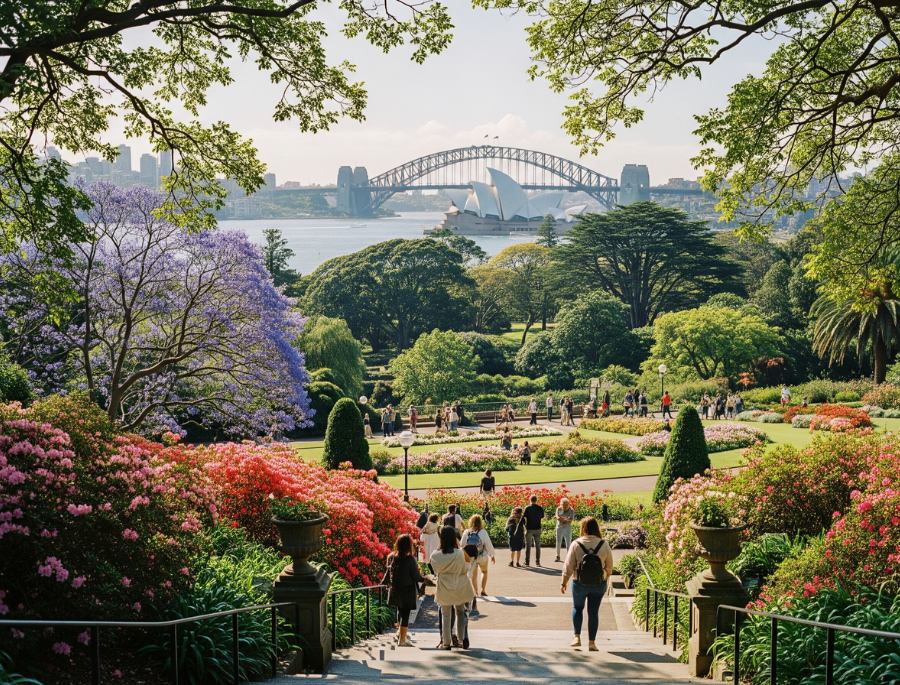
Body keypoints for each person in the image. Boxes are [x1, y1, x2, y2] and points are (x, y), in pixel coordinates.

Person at [560, 517, 614, 651]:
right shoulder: (604, 544)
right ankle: (592, 643)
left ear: (583, 528)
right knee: (593, 612)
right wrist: (605, 576)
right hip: (598, 583)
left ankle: (577, 637)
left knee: (577, 608)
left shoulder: (576, 543)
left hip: (579, 582)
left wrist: (564, 582)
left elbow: (568, 565)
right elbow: (609, 567)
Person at [430, 525, 474, 650]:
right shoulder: (460, 553)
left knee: (446, 614)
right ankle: (460, 640)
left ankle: (446, 642)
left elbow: (435, 571)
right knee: (460, 612)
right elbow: (467, 568)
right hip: (460, 585)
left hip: (444, 586)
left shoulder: (435, 555)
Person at [383, 533, 424, 647]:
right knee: (405, 614)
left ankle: (400, 634)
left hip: (395, 589)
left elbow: (389, 572)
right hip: (407, 590)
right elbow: (416, 577)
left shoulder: (392, 557)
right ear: (408, 545)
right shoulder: (410, 559)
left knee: (400, 611)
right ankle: (402, 640)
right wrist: (425, 578)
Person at [461, 514, 496, 597]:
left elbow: (462, 545)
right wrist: (492, 555)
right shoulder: (483, 532)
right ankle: (483, 590)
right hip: (482, 555)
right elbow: (488, 544)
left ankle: (475, 592)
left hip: (471, 557)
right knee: (484, 571)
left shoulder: (467, 532)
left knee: (474, 575)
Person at [523, 495, 545, 567]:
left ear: (530, 500)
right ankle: (537, 562)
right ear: (536, 500)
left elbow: (524, 517)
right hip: (538, 528)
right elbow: (542, 516)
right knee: (538, 546)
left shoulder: (527, 508)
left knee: (528, 546)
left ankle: (527, 562)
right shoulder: (540, 508)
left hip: (529, 528)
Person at [554, 497, 577, 563]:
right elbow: (557, 517)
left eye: (566, 505)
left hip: (567, 528)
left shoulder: (571, 510)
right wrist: (565, 519)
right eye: (563, 505)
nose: (564, 507)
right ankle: (557, 556)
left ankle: (569, 557)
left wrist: (563, 519)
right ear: (561, 504)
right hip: (559, 527)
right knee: (558, 542)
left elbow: (570, 520)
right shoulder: (558, 508)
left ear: (568, 504)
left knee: (568, 543)